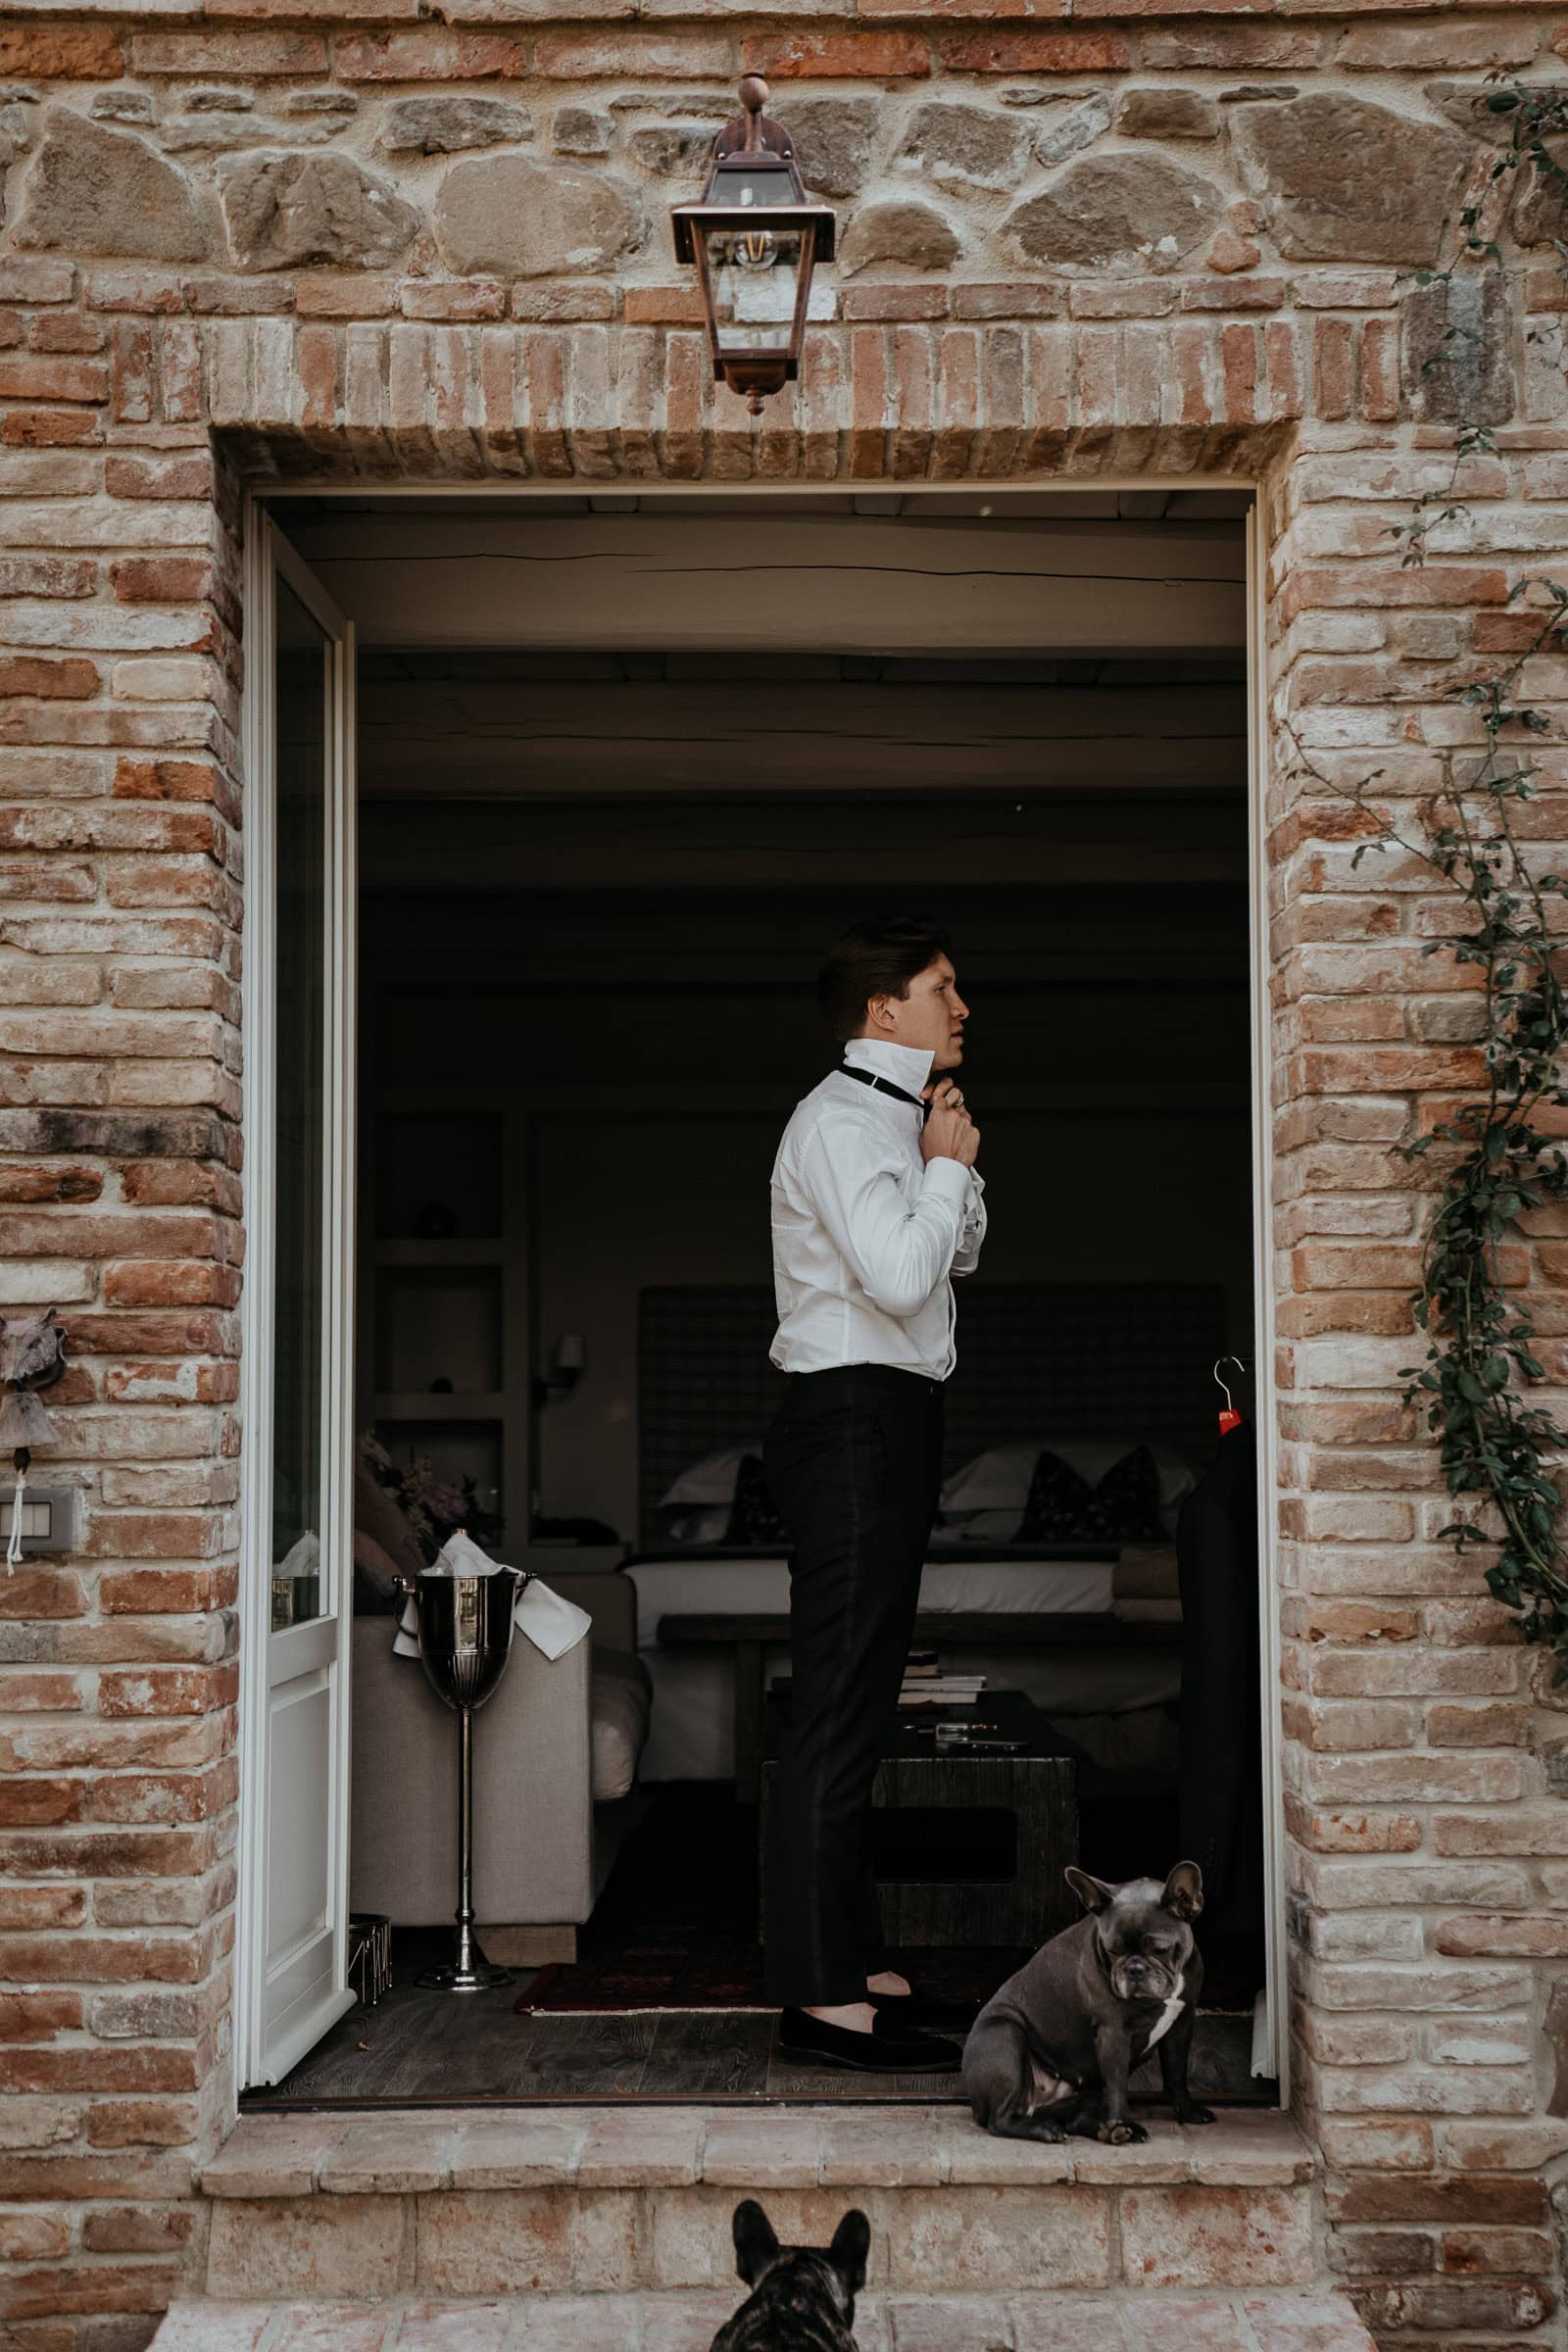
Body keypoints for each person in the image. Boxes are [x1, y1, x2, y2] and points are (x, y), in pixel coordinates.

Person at [763, 914, 986, 2071]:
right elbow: (907, 1277)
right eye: (942, 989)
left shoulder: (895, 1119)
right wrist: (946, 1174)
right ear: (879, 1010)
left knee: (863, 1699)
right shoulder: (842, 1122)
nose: (963, 1009)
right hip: (848, 1416)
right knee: (839, 1707)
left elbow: (952, 1259)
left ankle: (849, 1965)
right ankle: (816, 1997)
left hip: (887, 1418)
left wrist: (949, 1168)